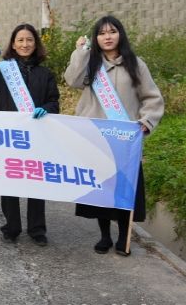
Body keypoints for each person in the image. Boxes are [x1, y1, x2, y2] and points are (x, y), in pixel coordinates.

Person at [64, 15, 164, 256]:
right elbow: (72, 80)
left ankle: (123, 237)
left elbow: (152, 97)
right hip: (97, 137)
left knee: (124, 190)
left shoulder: (136, 64)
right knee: (102, 190)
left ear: (120, 34)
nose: (107, 37)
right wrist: (80, 52)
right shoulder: (91, 64)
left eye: (112, 32)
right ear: (96, 38)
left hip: (125, 140)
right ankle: (105, 236)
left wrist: (146, 121)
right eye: (101, 33)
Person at [0, 23, 59, 246]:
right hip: (8, 135)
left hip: (36, 135)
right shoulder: (3, 71)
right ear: (13, 44)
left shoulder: (45, 74)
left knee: (36, 181)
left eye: (29, 40)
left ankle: (37, 229)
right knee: (10, 181)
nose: (25, 44)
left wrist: (47, 109)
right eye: (20, 40)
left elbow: (54, 101)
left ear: (36, 44)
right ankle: (11, 227)